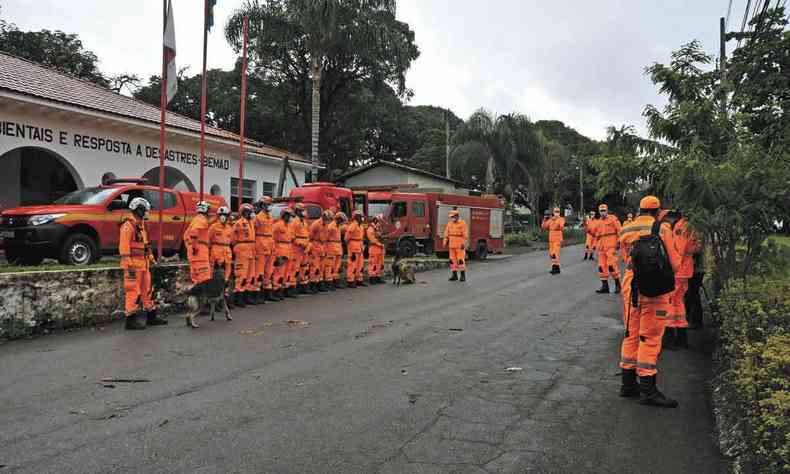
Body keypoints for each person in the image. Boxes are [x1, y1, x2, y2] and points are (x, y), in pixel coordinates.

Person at [618, 195, 680, 408]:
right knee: (650, 337)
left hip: (631, 286)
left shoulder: (626, 229)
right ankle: (648, 389)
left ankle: (627, 384)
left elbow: (626, 258)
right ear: (658, 211)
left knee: (631, 333)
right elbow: (675, 263)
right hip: (655, 289)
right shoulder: (662, 229)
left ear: (640, 209)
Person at [119, 197, 166, 329]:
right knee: (132, 291)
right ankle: (130, 320)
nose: (147, 213)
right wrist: (129, 265)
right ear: (139, 210)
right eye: (145, 210)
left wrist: (151, 257)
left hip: (143, 264)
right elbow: (124, 247)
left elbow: (145, 245)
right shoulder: (128, 226)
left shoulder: (141, 226)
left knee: (147, 290)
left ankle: (151, 316)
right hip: (133, 265)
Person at [664, 211, 701, 349]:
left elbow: (678, 250)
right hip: (686, 269)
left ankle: (670, 339)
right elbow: (696, 247)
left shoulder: (681, 226)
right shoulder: (692, 226)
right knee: (679, 303)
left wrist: (672, 267)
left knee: (670, 302)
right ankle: (681, 338)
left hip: (679, 269)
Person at [232, 203, 257, 306]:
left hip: (251, 249)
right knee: (241, 274)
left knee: (250, 274)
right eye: (247, 212)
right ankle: (239, 297)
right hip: (242, 249)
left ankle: (247, 295)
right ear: (243, 212)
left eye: (250, 212)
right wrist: (237, 247)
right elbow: (232, 238)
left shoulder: (251, 222)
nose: (249, 214)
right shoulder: (239, 223)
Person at [594, 204, 622, 294]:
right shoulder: (598, 222)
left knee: (611, 265)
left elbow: (620, 231)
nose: (603, 212)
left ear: (607, 210)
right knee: (601, 267)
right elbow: (596, 234)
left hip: (611, 246)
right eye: (601, 211)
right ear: (599, 212)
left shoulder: (613, 219)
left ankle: (618, 285)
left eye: (604, 210)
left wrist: (619, 242)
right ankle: (605, 286)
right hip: (602, 247)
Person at [209, 206, 234, 305]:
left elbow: (232, 240)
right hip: (216, 252)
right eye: (221, 215)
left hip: (226, 252)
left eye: (225, 215)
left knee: (226, 278)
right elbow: (208, 241)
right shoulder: (213, 227)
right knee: (215, 277)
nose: (223, 217)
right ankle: (214, 301)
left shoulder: (229, 228)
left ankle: (223, 300)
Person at [184, 201, 212, 286]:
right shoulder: (201, 219)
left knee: (196, 279)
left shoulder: (196, 219)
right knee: (204, 278)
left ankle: (198, 297)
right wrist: (195, 247)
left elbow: (186, 236)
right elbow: (194, 232)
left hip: (195, 253)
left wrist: (191, 247)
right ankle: (203, 298)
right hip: (199, 253)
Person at [254, 196, 276, 303]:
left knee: (269, 270)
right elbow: (253, 232)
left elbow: (271, 233)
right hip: (260, 245)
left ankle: (267, 292)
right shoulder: (258, 218)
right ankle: (257, 294)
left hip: (270, 245)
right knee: (259, 271)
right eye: (267, 204)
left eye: (269, 205)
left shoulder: (270, 218)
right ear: (262, 205)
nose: (269, 207)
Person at [272, 207, 294, 299]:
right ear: (284, 215)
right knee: (279, 272)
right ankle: (275, 290)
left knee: (287, 272)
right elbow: (272, 238)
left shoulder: (289, 226)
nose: (290, 218)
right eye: (288, 216)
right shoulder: (277, 225)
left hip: (288, 249)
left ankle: (283, 289)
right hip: (280, 249)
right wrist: (276, 253)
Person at [444, 209, 468, 282]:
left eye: (453, 217)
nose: (452, 218)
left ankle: (463, 276)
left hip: (459, 245)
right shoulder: (449, 223)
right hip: (451, 245)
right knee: (452, 260)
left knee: (460, 260)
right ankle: (454, 275)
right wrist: (445, 242)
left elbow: (465, 235)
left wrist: (463, 243)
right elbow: (446, 233)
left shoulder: (462, 223)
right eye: (451, 217)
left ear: (457, 216)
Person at [309, 209, 329, 293]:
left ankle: (319, 283)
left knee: (321, 266)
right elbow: (310, 235)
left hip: (322, 246)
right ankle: (313, 284)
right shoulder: (316, 224)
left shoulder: (325, 225)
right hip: (315, 245)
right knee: (315, 266)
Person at [345, 210, 366, 288]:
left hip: (359, 246)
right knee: (352, 264)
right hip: (353, 246)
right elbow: (347, 237)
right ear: (356, 217)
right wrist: (350, 247)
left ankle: (359, 280)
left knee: (360, 264)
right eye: (360, 216)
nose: (362, 218)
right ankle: (350, 281)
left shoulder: (360, 226)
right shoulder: (353, 225)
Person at [541, 206, 565, 274]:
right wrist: (545, 219)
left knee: (555, 254)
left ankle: (554, 268)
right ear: (553, 212)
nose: (556, 213)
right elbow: (544, 227)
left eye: (557, 212)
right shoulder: (550, 220)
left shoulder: (561, 219)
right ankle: (557, 268)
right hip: (551, 240)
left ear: (559, 212)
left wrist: (555, 220)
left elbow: (561, 226)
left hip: (557, 239)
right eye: (555, 211)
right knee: (551, 254)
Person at [326, 211, 345, 290]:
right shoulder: (331, 226)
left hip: (337, 247)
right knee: (330, 266)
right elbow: (326, 237)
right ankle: (329, 282)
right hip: (332, 247)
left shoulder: (337, 226)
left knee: (337, 266)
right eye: (341, 220)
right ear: (338, 219)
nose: (341, 221)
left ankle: (335, 281)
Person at [367, 214, 386, 284]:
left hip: (380, 248)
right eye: (378, 221)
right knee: (373, 264)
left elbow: (380, 235)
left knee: (380, 263)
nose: (379, 222)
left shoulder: (377, 228)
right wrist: (379, 243)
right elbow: (372, 239)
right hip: (374, 248)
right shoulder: (370, 229)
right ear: (375, 220)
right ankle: (372, 278)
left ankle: (378, 276)